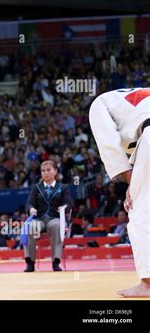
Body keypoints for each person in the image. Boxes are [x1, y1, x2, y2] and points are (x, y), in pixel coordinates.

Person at [90, 87, 150, 297]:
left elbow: (110, 146)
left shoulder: (100, 104)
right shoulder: (141, 99)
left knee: (142, 212)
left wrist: (132, 184)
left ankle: (148, 283)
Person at [23, 160, 73, 273]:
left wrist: (64, 207)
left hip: (55, 218)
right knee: (30, 227)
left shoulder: (63, 187)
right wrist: (31, 208)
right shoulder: (36, 187)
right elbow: (28, 203)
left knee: (56, 226)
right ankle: (30, 262)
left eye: (48, 170)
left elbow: (69, 203)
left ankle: (56, 261)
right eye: (43, 171)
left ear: (55, 171)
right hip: (39, 219)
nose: (45, 173)